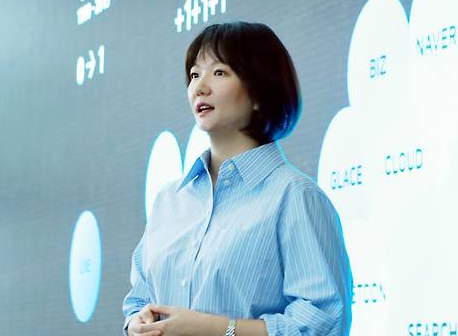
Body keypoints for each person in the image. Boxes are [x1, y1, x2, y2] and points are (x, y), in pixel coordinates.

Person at [123, 22, 352, 336]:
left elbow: (324, 322)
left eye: (219, 73)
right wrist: (136, 322)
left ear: (259, 91)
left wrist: (216, 330)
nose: (199, 87)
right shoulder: (169, 200)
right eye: (194, 75)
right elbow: (138, 299)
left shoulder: (294, 196)